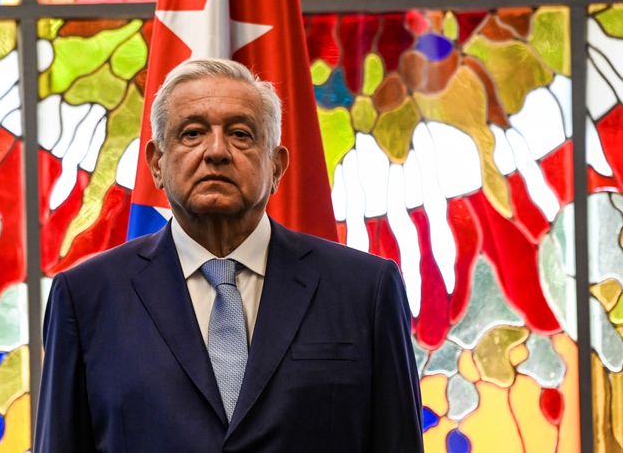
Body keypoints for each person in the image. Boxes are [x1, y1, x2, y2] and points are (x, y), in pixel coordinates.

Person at [35, 59, 423, 452]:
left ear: (276, 166)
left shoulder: (364, 291)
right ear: (156, 163)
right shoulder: (85, 298)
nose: (216, 151)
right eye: (192, 133)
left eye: (240, 134)